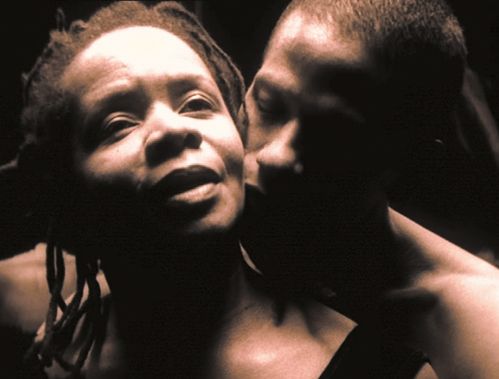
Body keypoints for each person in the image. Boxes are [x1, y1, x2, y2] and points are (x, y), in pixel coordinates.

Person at [241, 0, 499, 378]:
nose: (276, 156)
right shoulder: (181, 235)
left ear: (412, 163)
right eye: (268, 105)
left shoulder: (481, 331)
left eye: (331, 139)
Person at [0, 2, 254, 377]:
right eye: (118, 124)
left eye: (197, 104)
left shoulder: (357, 355)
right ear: (70, 195)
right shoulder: (47, 361)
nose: (171, 129)